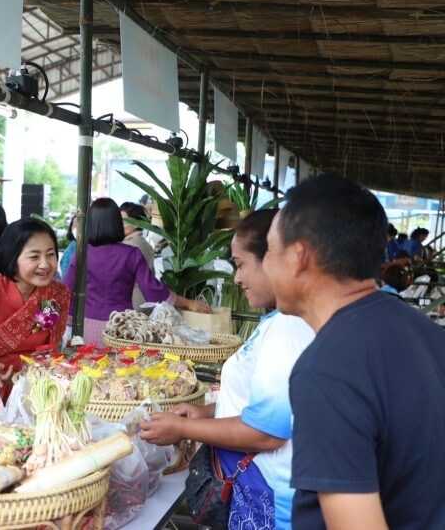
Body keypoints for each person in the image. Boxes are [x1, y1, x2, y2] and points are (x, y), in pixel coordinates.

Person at [262, 174, 445, 528]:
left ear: (299, 256)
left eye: (269, 251)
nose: (266, 265)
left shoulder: (328, 369)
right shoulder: (423, 329)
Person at [140, 209, 315, 529]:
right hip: (257, 488)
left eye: (241, 264)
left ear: (276, 260)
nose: (237, 278)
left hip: (270, 499)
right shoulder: (278, 322)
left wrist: (183, 430)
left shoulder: (288, 330)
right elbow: (261, 406)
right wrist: (206, 412)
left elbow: (265, 433)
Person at [0, 218, 70, 408]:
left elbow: (50, 348)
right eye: (34, 257)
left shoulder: (55, 295)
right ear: (12, 257)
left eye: (50, 255)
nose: (45, 264)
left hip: (33, 389)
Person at [63, 198, 208, 344]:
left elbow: (67, 292)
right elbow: (154, 291)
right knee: (121, 366)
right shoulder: (131, 254)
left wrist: (68, 324)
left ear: (91, 224)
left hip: (87, 327)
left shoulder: (81, 254)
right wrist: (187, 303)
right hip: (123, 328)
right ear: (117, 223)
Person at [120, 202, 155, 310]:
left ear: (136, 223)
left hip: (132, 307)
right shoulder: (141, 242)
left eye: (123, 220)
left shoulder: (130, 246)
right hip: (143, 302)